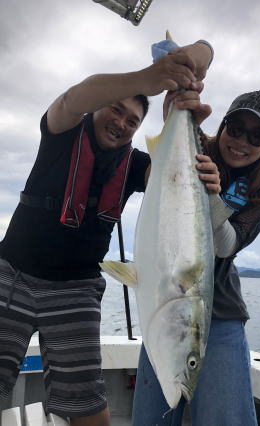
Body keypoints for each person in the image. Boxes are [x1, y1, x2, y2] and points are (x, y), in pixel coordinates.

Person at [0, 40, 214, 426]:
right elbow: (70, 99)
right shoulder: (63, 133)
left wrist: (189, 96)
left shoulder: (136, 165)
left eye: (132, 120)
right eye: (116, 109)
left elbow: (174, 184)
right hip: (10, 275)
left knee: (87, 405)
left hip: (76, 289)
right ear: (99, 107)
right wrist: (146, 79)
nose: (121, 122)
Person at [132, 88, 260, 426]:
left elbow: (227, 247)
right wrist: (176, 103)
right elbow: (173, 119)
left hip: (221, 314)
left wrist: (213, 198)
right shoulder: (195, 147)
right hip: (164, 304)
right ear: (223, 124)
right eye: (236, 128)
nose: (242, 141)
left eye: (256, 135)